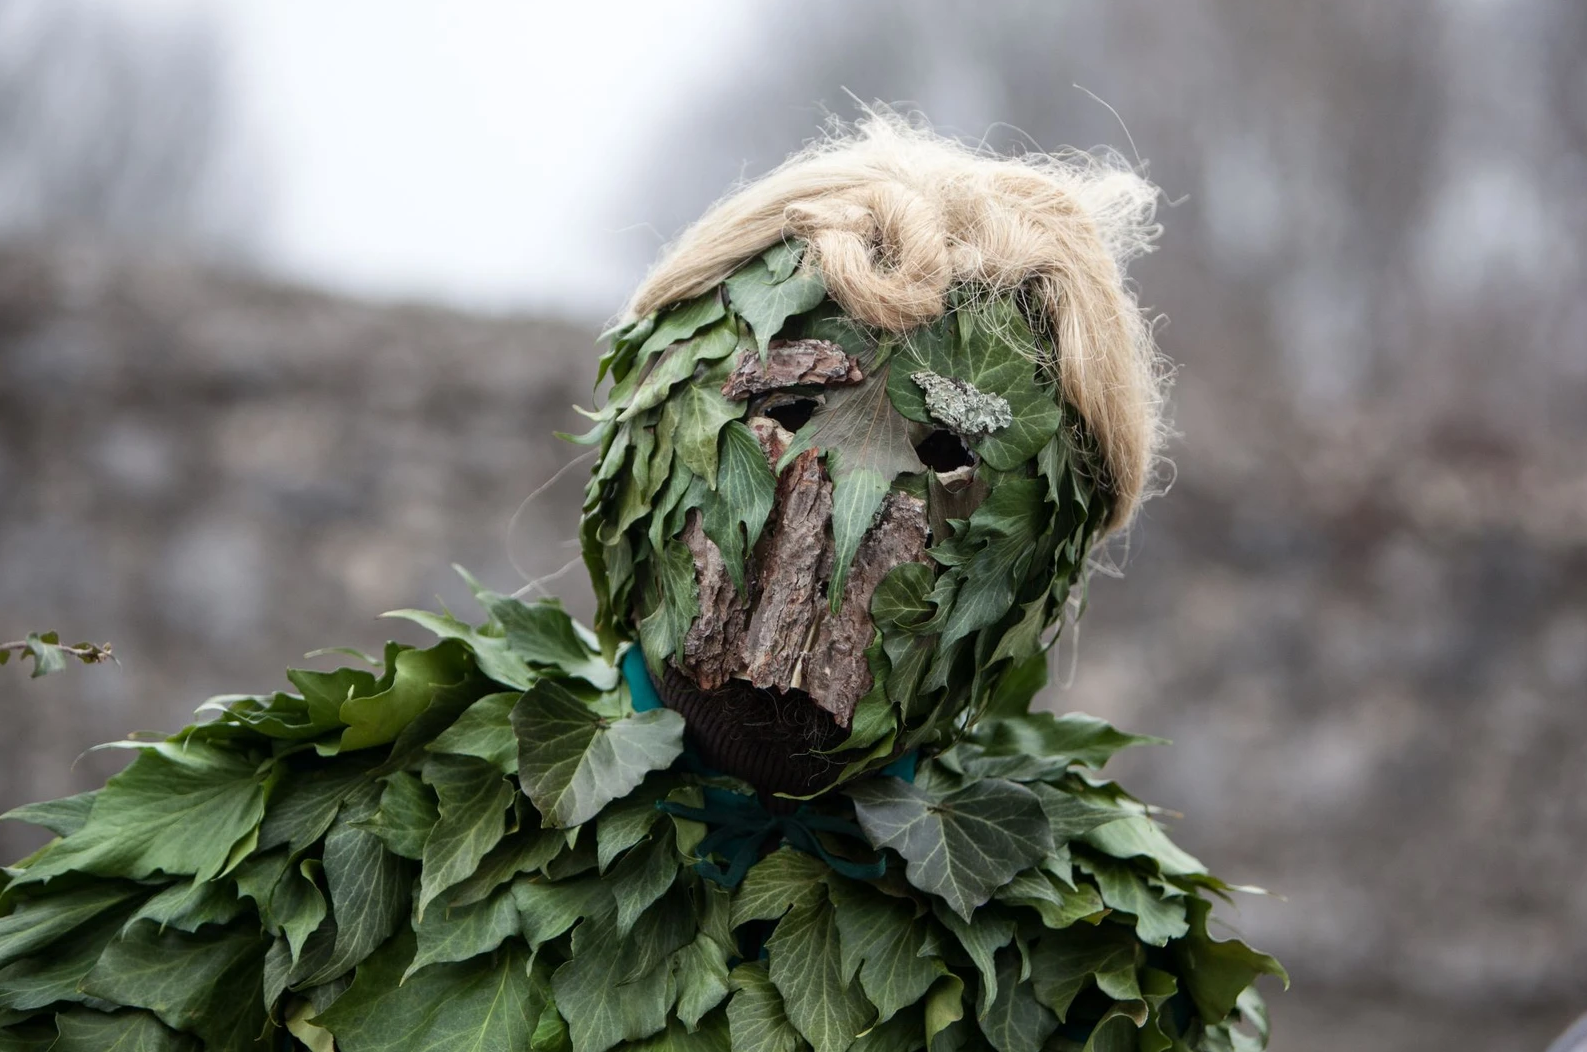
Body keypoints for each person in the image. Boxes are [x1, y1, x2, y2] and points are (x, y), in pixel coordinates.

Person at [0, 113, 1283, 1052]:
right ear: (641, 423)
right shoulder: (331, 836)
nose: (840, 513)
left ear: (1045, 568)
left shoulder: (1110, 982)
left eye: (951, 455)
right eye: (784, 407)